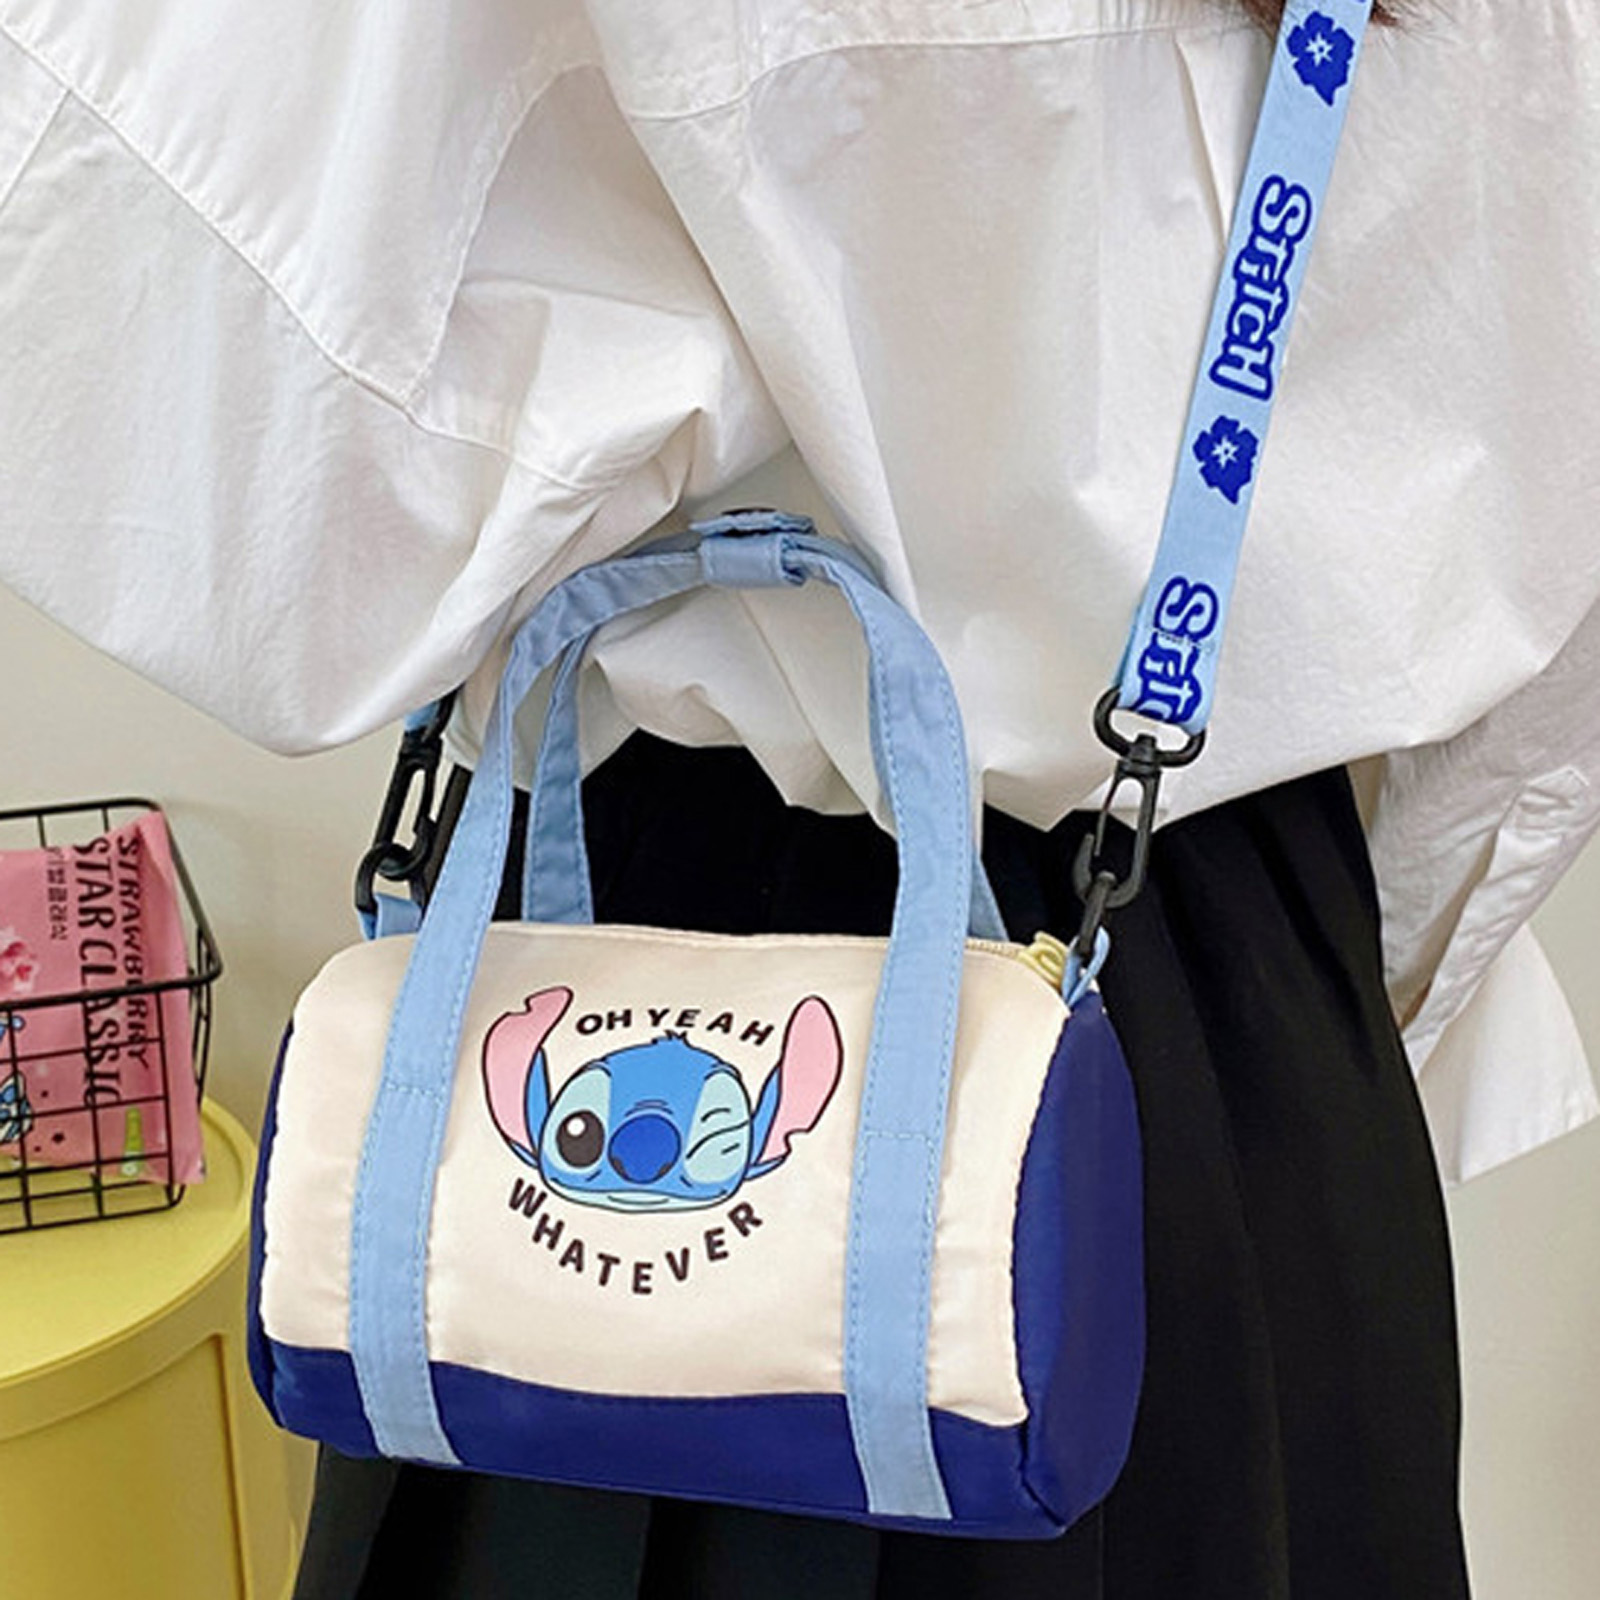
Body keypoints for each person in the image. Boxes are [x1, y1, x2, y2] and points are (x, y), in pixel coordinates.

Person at [2, 1, 1597, 1594]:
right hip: (1199, 980)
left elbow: (263, 478)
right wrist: (1333, 1004)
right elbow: (1529, 671)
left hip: (630, 896)